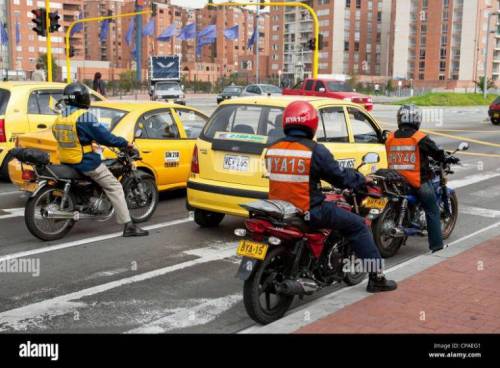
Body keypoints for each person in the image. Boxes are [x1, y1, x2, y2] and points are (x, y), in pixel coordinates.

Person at [265, 101, 397, 293]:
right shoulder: (314, 150)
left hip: (278, 209)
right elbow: (339, 176)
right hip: (309, 210)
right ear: (312, 124)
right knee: (359, 226)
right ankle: (376, 277)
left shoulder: (273, 148)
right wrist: (361, 179)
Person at [52, 82, 148, 237]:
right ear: (82, 99)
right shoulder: (83, 117)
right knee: (114, 186)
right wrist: (125, 144)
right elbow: (105, 137)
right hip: (85, 162)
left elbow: (60, 136)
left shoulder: (61, 117)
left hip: (66, 160)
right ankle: (128, 226)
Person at [385, 104, 459, 253]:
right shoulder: (419, 138)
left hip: (395, 180)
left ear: (400, 118)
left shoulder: (390, 137)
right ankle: (437, 246)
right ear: (417, 120)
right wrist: (447, 158)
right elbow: (437, 153)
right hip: (417, 181)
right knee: (432, 210)